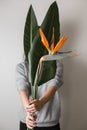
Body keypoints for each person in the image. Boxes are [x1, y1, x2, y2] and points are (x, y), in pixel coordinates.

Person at [16, 60, 63, 130]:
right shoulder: (22, 66)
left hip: (49, 122)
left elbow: (53, 86)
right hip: (28, 120)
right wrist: (29, 111)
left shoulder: (56, 65)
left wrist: (41, 102)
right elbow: (22, 90)